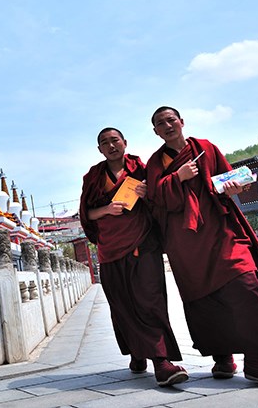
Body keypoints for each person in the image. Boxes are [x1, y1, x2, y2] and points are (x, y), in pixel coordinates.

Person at [146, 106, 258, 387]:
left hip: (220, 230)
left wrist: (233, 188)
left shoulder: (206, 147)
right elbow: (155, 201)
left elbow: (227, 180)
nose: (167, 125)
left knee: (247, 288)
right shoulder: (155, 163)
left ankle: (256, 361)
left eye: (171, 120)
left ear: (181, 122)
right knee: (203, 299)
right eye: (160, 123)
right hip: (184, 241)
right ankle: (223, 356)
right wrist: (177, 177)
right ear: (155, 131)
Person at [80, 127, 187, 387]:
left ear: (125, 142)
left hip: (143, 244)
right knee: (122, 304)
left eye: (115, 140)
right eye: (104, 142)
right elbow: (87, 214)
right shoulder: (93, 176)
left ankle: (161, 361)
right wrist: (107, 209)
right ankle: (137, 352)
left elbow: (160, 198)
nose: (111, 145)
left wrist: (148, 192)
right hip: (110, 249)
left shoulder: (142, 168)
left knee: (151, 301)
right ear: (99, 149)